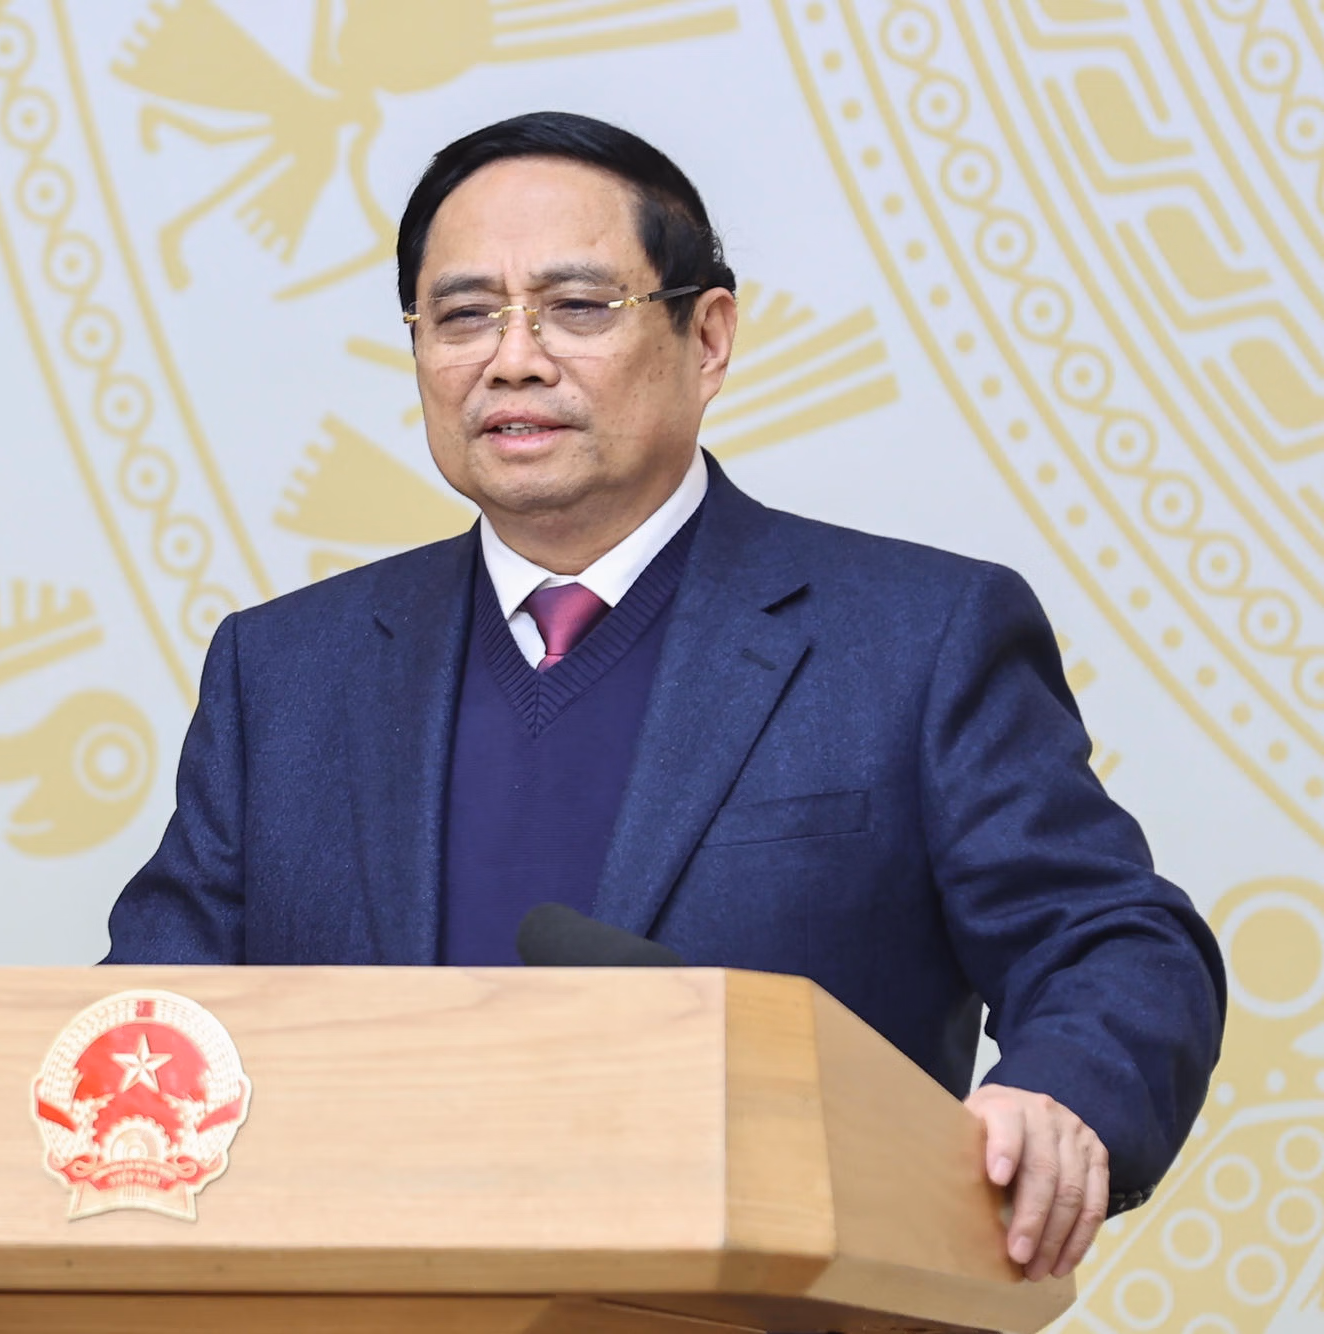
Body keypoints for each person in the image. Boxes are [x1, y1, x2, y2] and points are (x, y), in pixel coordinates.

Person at [104, 112, 1224, 1282]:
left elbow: (1109, 939)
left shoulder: (912, 640)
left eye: (576, 306)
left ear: (708, 337)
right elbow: (145, 1024)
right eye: (463, 314)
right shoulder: (285, 671)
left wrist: (1057, 1096)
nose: (512, 358)